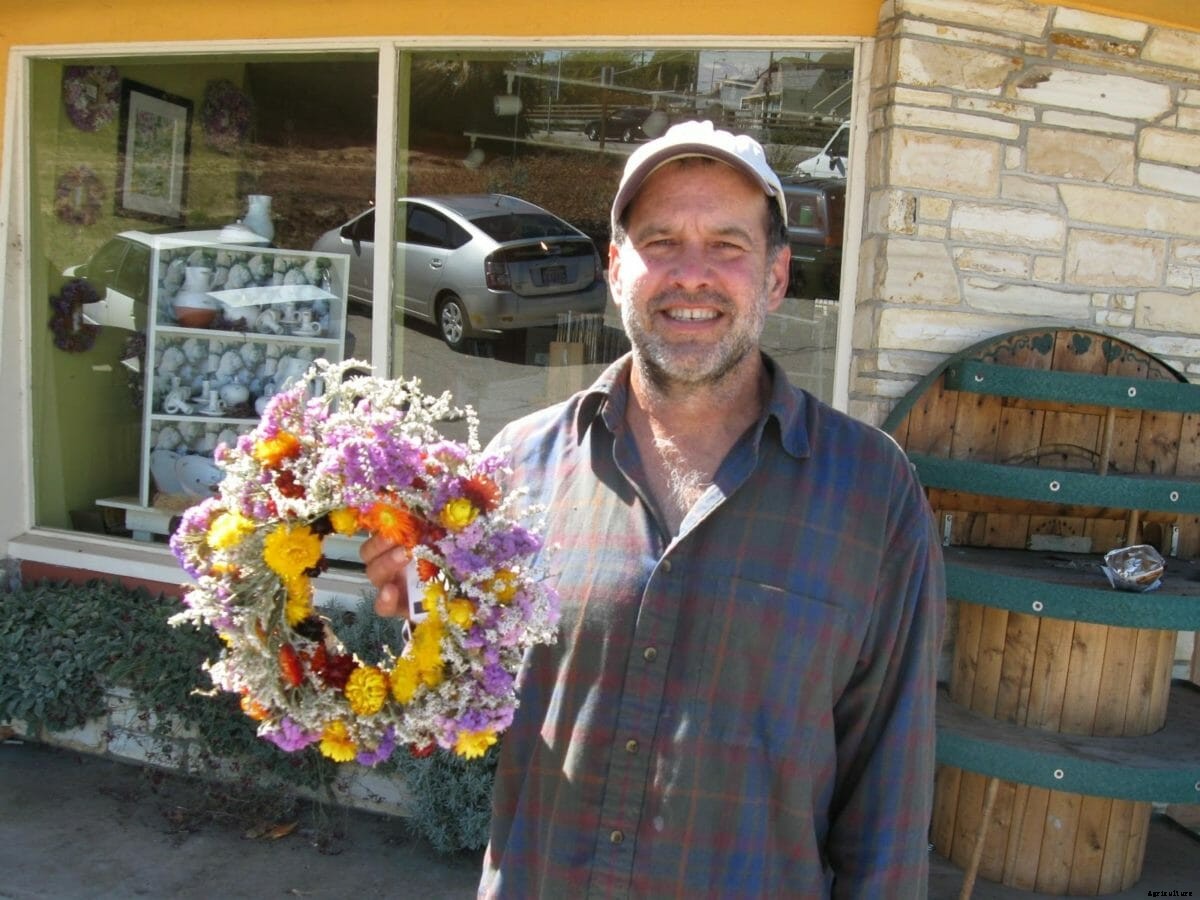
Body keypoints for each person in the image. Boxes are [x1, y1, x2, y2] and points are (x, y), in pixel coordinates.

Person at [362, 120, 946, 898]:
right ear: (614, 269)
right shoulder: (512, 470)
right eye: (660, 240)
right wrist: (418, 612)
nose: (691, 274)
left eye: (728, 245)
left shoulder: (872, 494)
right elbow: (453, 710)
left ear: (775, 277)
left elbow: (890, 800)